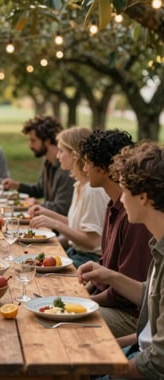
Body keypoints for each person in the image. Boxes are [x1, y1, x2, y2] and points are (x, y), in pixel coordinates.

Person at [78, 141, 164, 379]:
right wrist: (108, 275)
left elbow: (157, 361)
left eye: (125, 190)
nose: (121, 199)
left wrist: (102, 366)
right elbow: (151, 298)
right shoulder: (159, 245)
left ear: (144, 197)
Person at [78, 129, 152, 338]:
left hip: (129, 315)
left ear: (104, 168)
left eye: (87, 162)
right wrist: (83, 294)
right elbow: (106, 268)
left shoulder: (134, 218)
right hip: (113, 302)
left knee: (68, 323)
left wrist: (85, 302)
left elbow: (125, 294)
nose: (83, 168)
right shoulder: (113, 206)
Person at [29, 127, 109, 267]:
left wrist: (54, 224)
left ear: (75, 154)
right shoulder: (79, 185)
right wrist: (46, 213)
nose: (58, 156)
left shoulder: (93, 191)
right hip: (75, 253)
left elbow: (91, 241)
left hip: (88, 260)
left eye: (61, 151)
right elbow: (76, 225)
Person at [3, 115, 74, 216]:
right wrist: (16, 185)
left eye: (33, 140)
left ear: (47, 141)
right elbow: (40, 190)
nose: (30, 145)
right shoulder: (48, 161)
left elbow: (62, 209)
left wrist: (39, 205)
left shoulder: (66, 168)